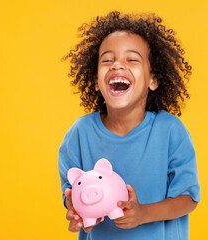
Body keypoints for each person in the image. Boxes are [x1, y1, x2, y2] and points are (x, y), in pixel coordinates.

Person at [58, 11, 200, 240]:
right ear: (95, 80)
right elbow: (70, 192)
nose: (117, 65)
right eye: (107, 60)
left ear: (153, 79)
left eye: (132, 59)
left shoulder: (170, 131)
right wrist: (74, 208)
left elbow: (188, 198)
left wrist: (143, 213)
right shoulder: (80, 134)